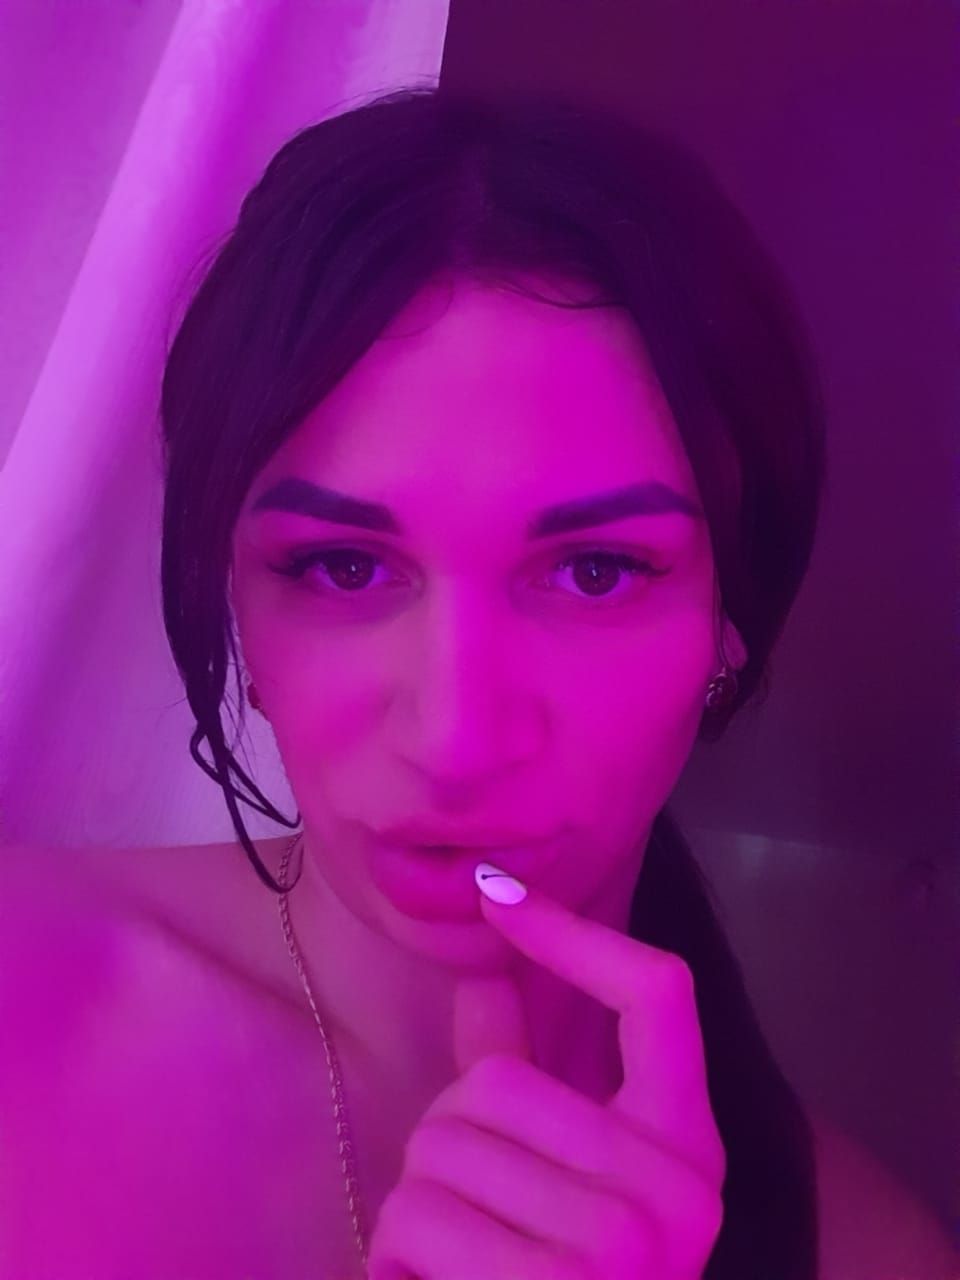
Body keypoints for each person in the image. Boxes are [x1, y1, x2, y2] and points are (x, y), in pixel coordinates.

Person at [3, 84, 956, 1279]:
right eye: (344, 566)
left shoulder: (867, 1252)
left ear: (730, 626)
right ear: (234, 595)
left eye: (597, 571)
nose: (457, 737)